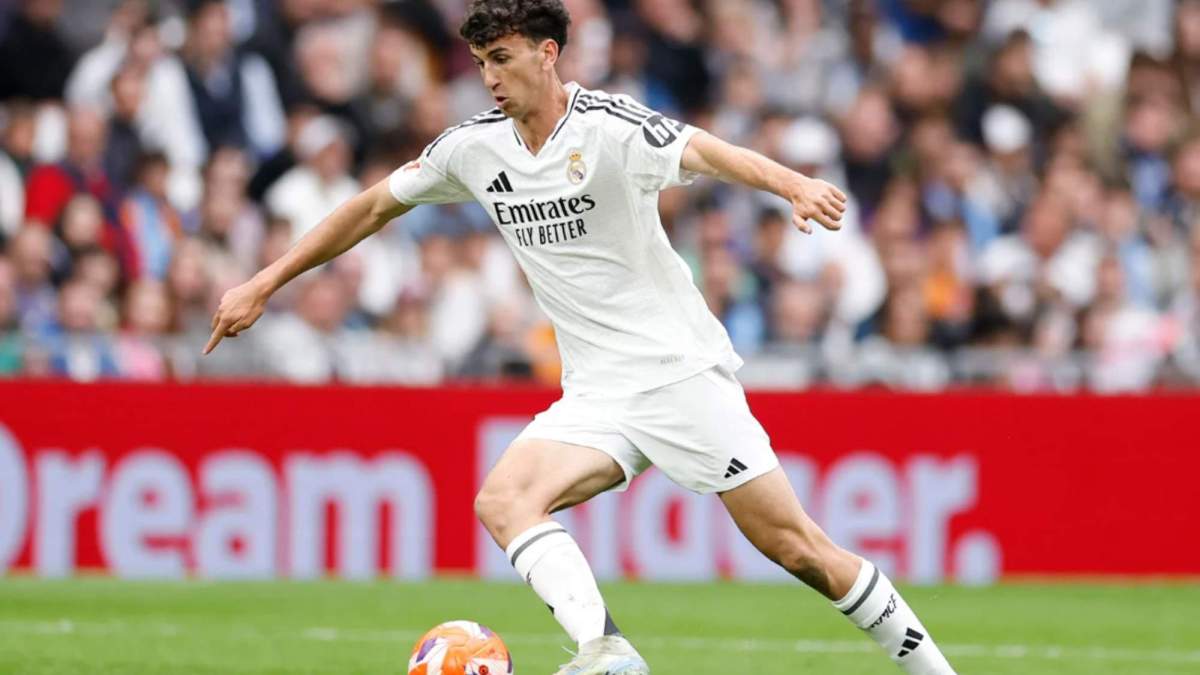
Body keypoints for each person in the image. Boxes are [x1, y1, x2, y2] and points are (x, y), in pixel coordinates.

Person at [203, 2, 956, 674]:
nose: (488, 78)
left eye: (501, 58)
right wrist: (265, 281)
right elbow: (369, 209)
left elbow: (704, 151)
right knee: (504, 498)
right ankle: (607, 651)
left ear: (547, 53)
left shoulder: (607, 126)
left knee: (799, 550)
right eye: (479, 63)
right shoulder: (475, 148)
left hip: (677, 374)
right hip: (596, 391)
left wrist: (791, 183)